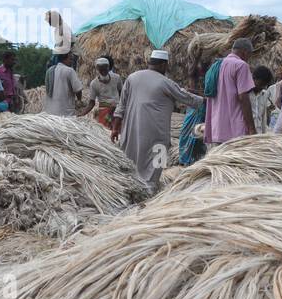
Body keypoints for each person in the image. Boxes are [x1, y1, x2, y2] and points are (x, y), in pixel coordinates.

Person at [112, 49, 205, 190]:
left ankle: (131, 189)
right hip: (157, 134)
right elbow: (185, 97)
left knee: (131, 162)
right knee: (156, 164)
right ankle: (150, 190)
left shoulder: (132, 77)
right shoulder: (165, 82)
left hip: (131, 131)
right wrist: (206, 100)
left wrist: (114, 128)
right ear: (163, 65)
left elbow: (121, 106)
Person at [204, 38, 255, 147]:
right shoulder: (241, 65)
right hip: (235, 130)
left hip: (216, 127)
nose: (248, 58)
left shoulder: (215, 66)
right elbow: (243, 97)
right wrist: (251, 128)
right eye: (249, 55)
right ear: (244, 52)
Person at [43, 44, 84, 116]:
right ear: (67, 57)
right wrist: (79, 100)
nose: (72, 61)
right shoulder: (69, 71)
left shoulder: (49, 71)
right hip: (65, 115)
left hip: (49, 114)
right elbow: (78, 90)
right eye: (71, 59)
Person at [82, 56, 123, 127]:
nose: (103, 71)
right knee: (106, 131)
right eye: (101, 69)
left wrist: (120, 106)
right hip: (104, 111)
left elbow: (121, 94)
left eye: (105, 68)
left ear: (108, 67)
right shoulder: (94, 84)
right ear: (97, 69)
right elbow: (91, 103)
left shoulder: (116, 78)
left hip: (117, 110)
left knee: (118, 131)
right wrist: (82, 114)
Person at [250, 65, 276, 135]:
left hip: (258, 134)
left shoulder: (264, 94)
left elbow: (263, 118)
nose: (263, 87)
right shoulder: (245, 95)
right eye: (261, 84)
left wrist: (264, 135)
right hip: (245, 135)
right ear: (254, 79)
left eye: (265, 85)